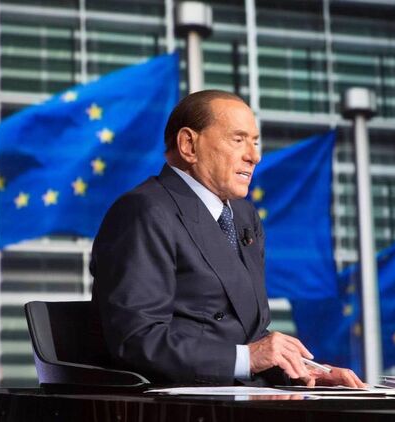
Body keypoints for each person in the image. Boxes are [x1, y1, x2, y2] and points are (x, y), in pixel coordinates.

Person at [90, 89, 363, 388]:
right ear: (188, 145)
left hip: (241, 396)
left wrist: (305, 372)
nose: (254, 156)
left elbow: (249, 335)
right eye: (238, 140)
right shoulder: (144, 211)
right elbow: (136, 339)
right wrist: (248, 358)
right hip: (182, 401)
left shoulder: (243, 215)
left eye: (255, 142)